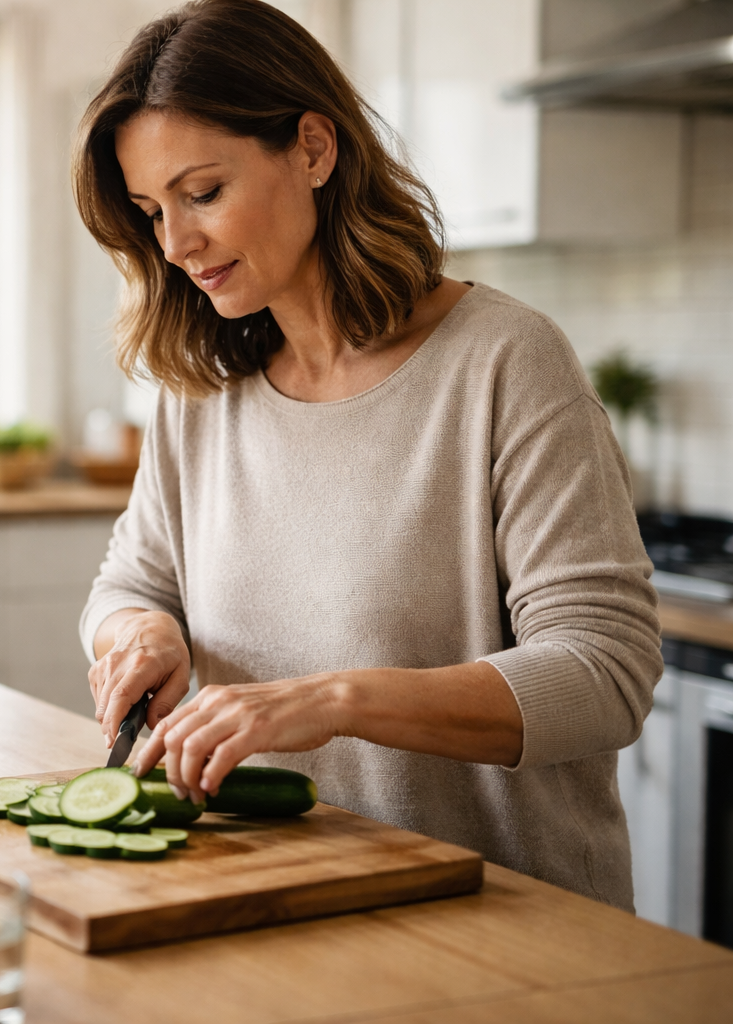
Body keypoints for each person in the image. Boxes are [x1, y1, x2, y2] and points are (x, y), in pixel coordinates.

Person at [75, 0, 660, 909]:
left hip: (502, 928)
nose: (175, 243)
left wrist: (332, 701)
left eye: (203, 192)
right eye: (152, 211)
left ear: (313, 148)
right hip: (282, 902)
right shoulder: (203, 391)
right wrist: (139, 633)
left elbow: (604, 674)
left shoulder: (504, 361)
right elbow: (131, 585)